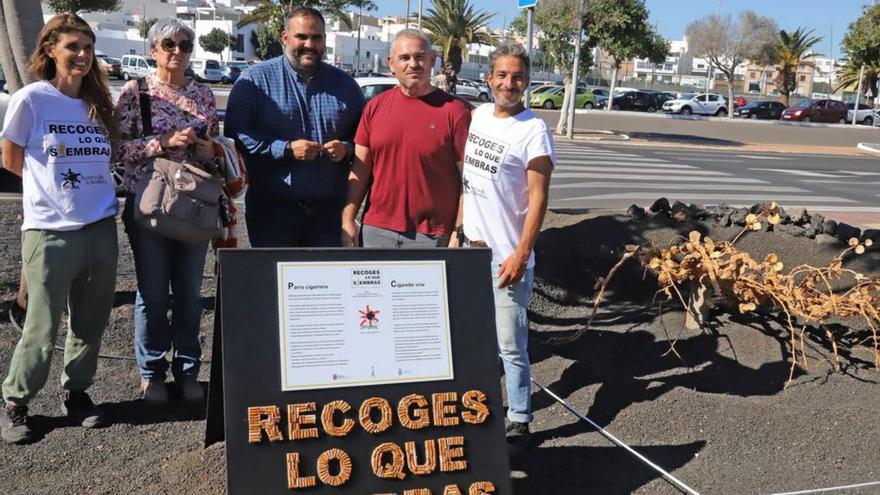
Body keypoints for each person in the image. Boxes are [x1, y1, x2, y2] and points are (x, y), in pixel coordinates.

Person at [0, 14, 120, 443]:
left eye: (88, 48)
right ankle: (16, 402)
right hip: (50, 232)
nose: (83, 56)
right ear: (50, 49)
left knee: (91, 320)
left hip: (101, 226)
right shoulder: (33, 99)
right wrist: (45, 193)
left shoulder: (98, 102)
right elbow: (10, 158)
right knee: (41, 324)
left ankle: (78, 393)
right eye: (73, 47)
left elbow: (109, 155)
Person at [115, 17, 219, 406]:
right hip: (150, 208)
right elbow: (118, 150)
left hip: (193, 206)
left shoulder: (204, 95)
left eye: (186, 45)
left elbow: (215, 149)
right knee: (154, 294)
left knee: (191, 294)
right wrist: (161, 142)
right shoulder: (135, 93)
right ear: (153, 51)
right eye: (169, 44)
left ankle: (188, 370)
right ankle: (152, 373)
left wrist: (208, 150)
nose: (178, 52)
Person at [459, 41, 555, 450]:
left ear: (527, 83)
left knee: (511, 346)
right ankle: (481, 409)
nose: (509, 83)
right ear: (489, 78)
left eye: (517, 77)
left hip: (506, 261)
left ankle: (519, 418)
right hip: (470, 252)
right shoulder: (478, 116)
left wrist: (520, 254)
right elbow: (469, 181)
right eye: (502, 75)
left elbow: (539, 199)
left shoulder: (533, 130)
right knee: (474, 340)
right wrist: (458, 230)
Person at [224, 7, 365, 248]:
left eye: (317, 38)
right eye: (302, 37)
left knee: (327, 282)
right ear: (285, 38)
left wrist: (346, 148)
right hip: (272, 213)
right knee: (274, 281)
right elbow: (235, 136)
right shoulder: (254, 81)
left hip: (329, 215)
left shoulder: (346, 86)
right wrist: (285, 149)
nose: (309, 44)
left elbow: (365, 138)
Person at [342, 29, 471, 248]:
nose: (413, 64)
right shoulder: (374, 107)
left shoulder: (456, 112)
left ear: (432, 60)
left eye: (420, 56)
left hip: (433, 235)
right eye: (404, 58)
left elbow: (467, 182)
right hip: (376, 230)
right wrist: (347, 219)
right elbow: (361, 168)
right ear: (391, 64)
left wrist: (458, 233)